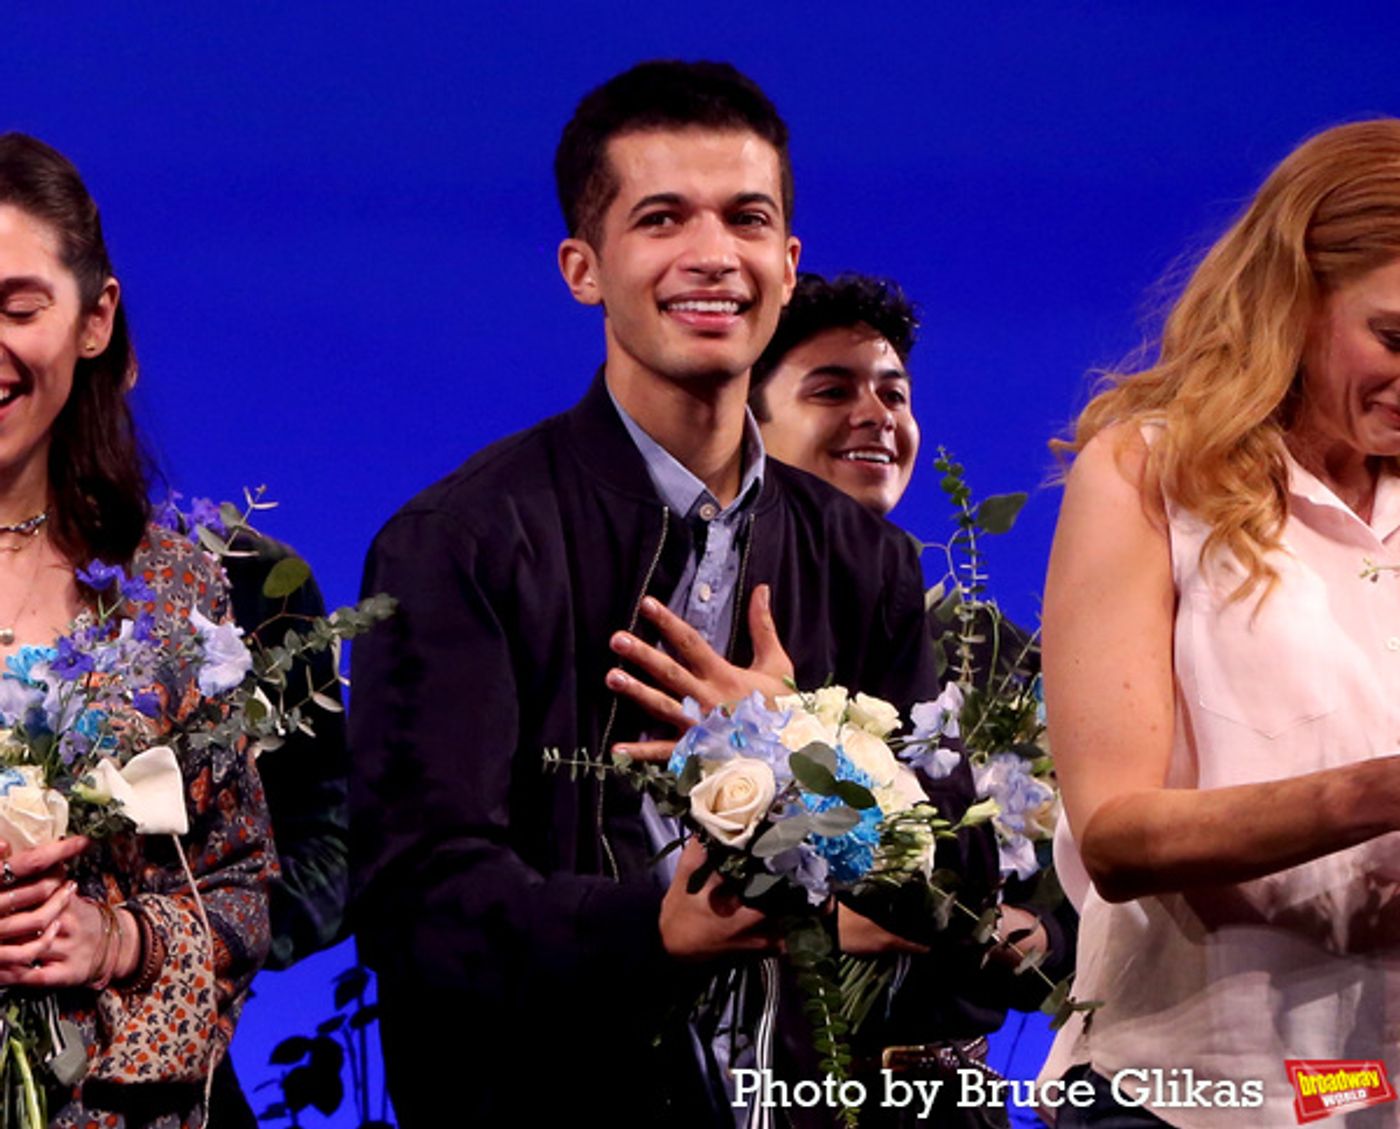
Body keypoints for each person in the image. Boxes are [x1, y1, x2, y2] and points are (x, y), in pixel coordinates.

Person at [350, 61, 989, 1127]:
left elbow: (960, 888)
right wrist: (655, 926)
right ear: (582, 268)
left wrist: (795, 749)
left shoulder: (864, 560)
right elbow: (417, 900)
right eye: (660, 218)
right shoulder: (458, 540)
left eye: (745, 219)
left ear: (785, 265)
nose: (711, 255)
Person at [1039, 119, 1400, 1127]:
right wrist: (1378, 792)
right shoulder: (1148, 473)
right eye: (1394, 336)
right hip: (1191, 1095)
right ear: (1293, 290)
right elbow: (1113, 834)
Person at [0, 132, 272, 1125]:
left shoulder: (169, 588)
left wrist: (110, 939)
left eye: (17, 307)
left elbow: (240, 897)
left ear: (93, 318)